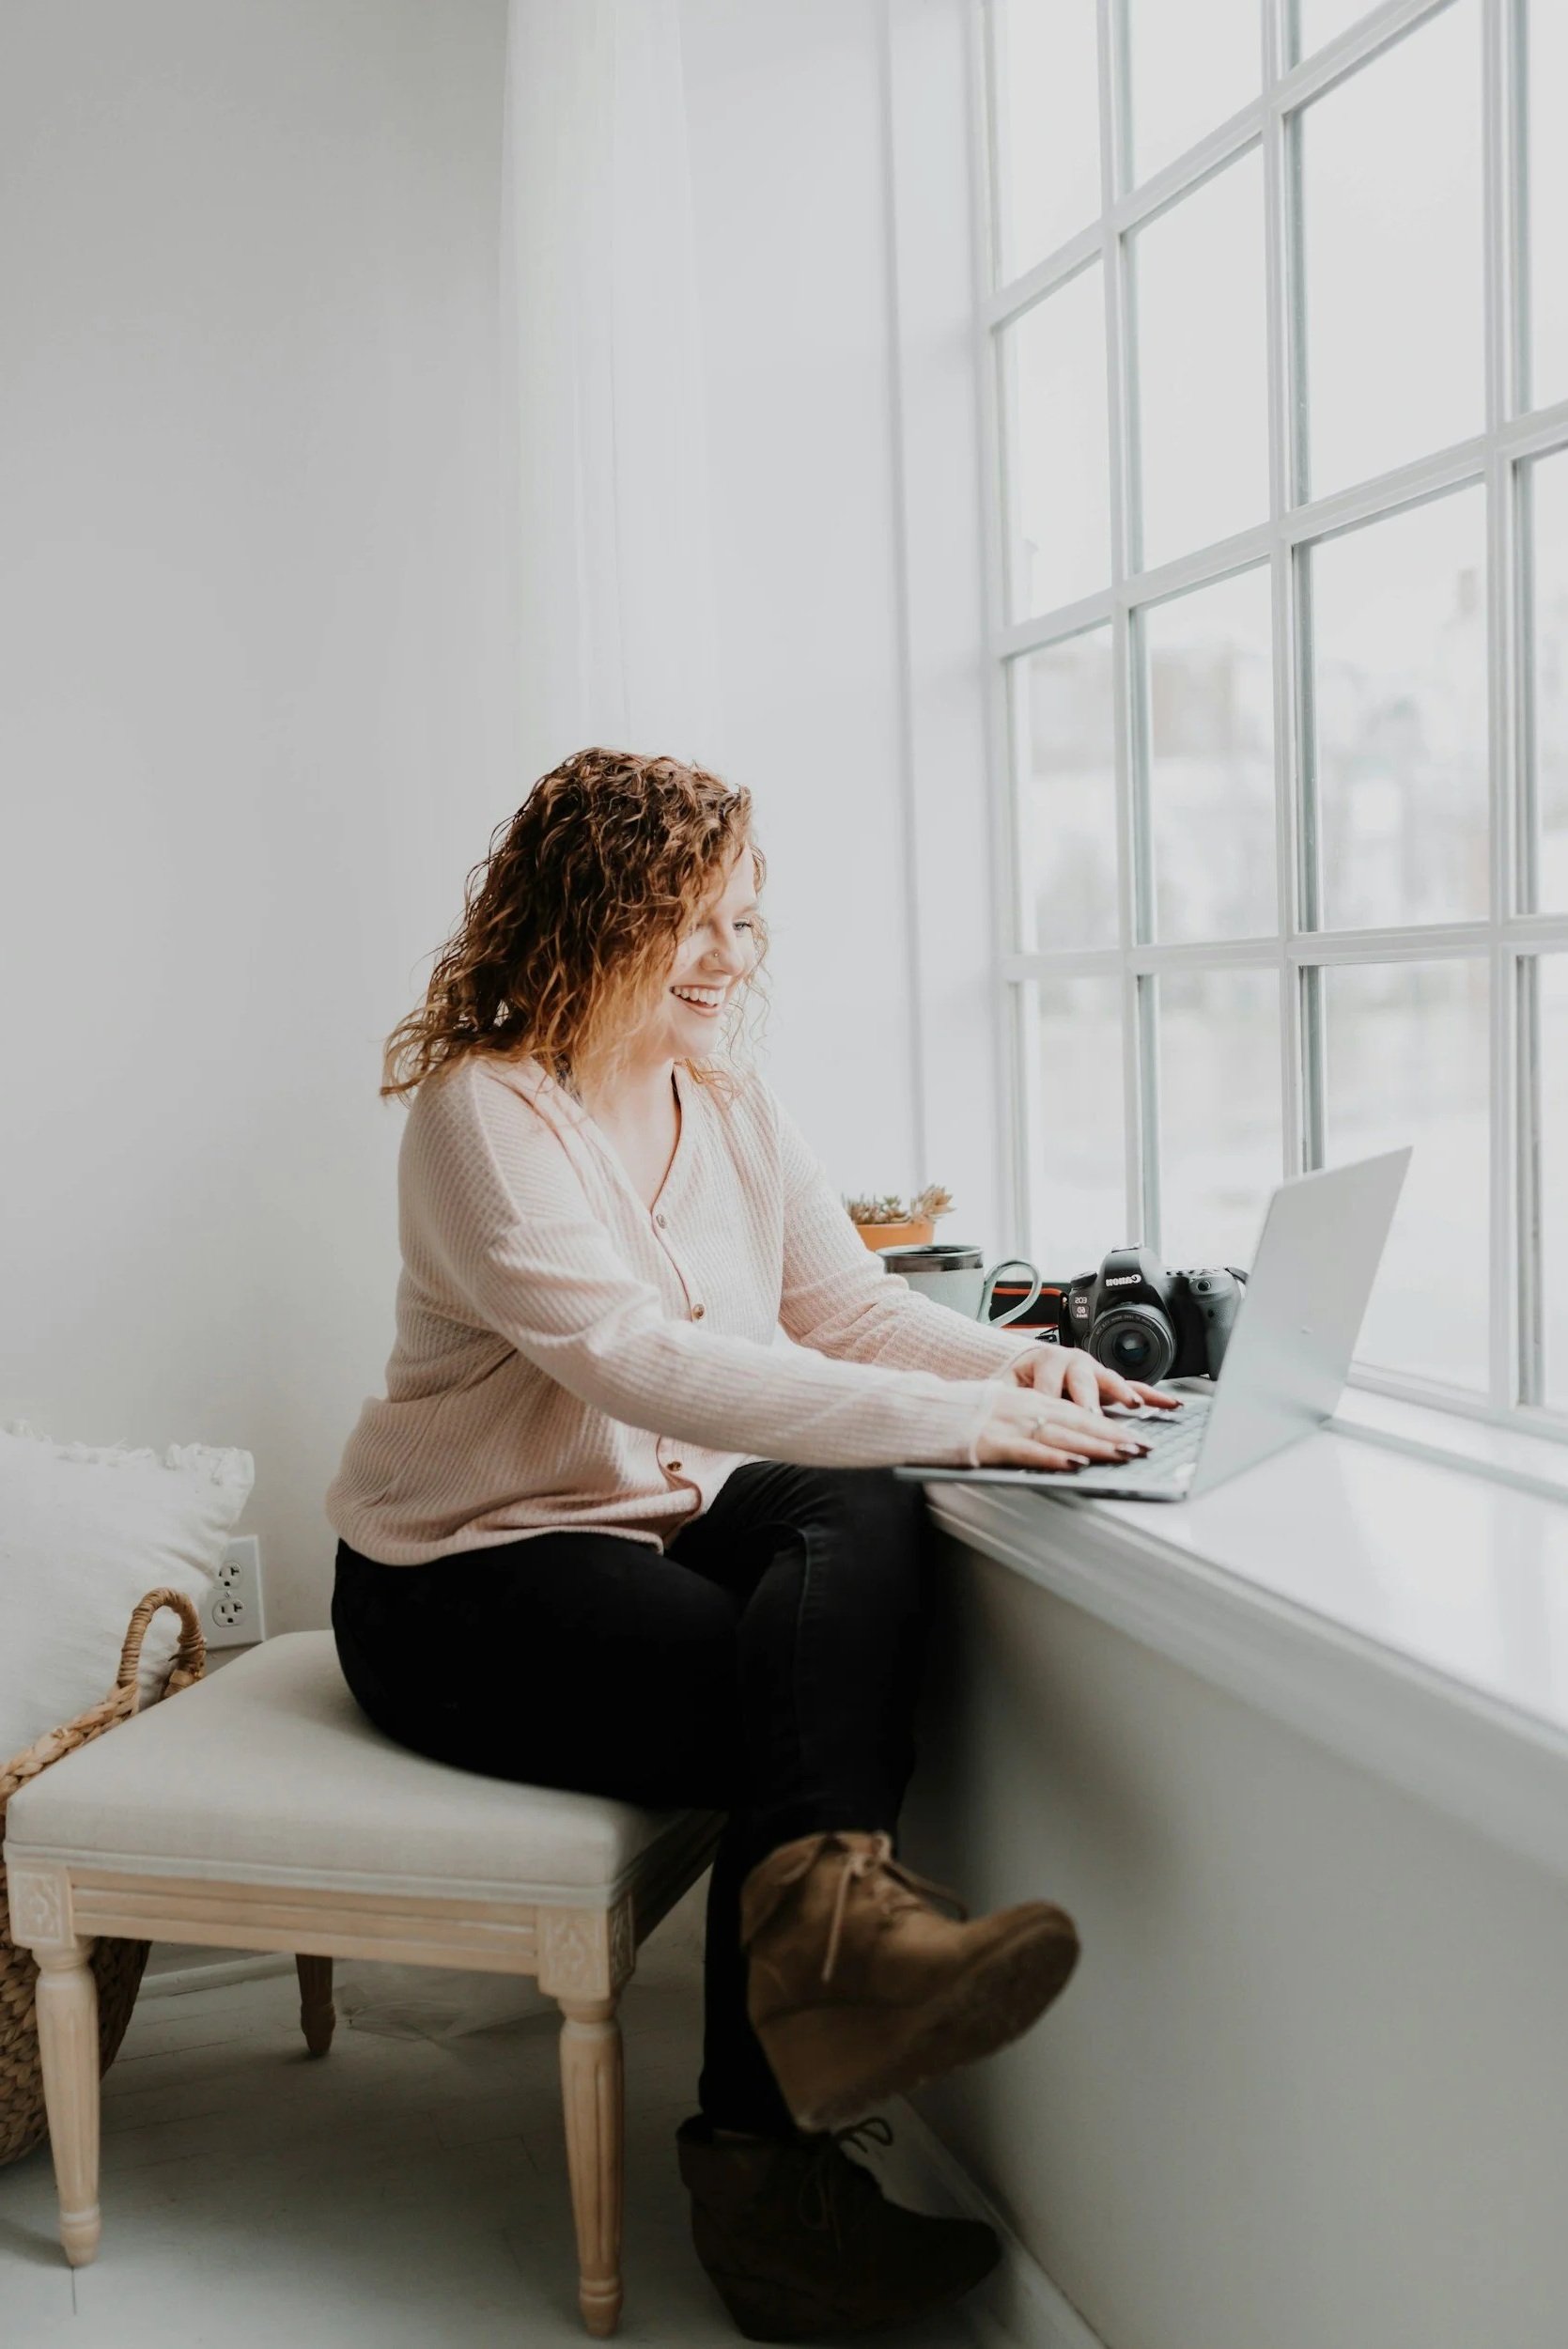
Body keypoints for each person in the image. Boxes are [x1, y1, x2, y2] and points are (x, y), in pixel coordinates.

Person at [325, 748, 1175, 2341]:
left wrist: (1021, 1368)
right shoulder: (481, 1113)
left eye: (744, 916)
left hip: (652, 1525)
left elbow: (840, 1309)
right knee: (790, 1704)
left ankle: (816, 1995)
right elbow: (634, 1362)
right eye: (693, 918)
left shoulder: (720, 1093)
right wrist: (948, 1422)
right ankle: (771, 2176)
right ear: (590, 916)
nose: (734, 954)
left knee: (855, 1510)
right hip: (456, 1579)